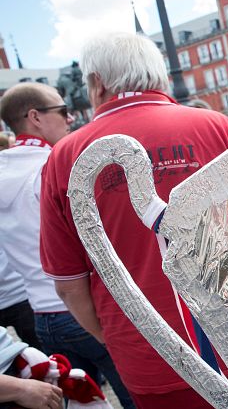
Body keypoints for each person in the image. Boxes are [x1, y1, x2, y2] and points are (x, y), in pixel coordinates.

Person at [38, 32, 228, 408]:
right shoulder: (218, 126)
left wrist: (122, 333)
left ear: (97, 83)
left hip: (148, 354)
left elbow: (68, 284)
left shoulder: (64, 156)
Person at [0, 82, 134, 408]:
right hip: (81, 307)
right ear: (35, 117)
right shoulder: (52, 165)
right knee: (136, 397)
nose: (70, 118)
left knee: (76, 402)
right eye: (62, 111)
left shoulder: (7, 167)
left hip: (40, 312)